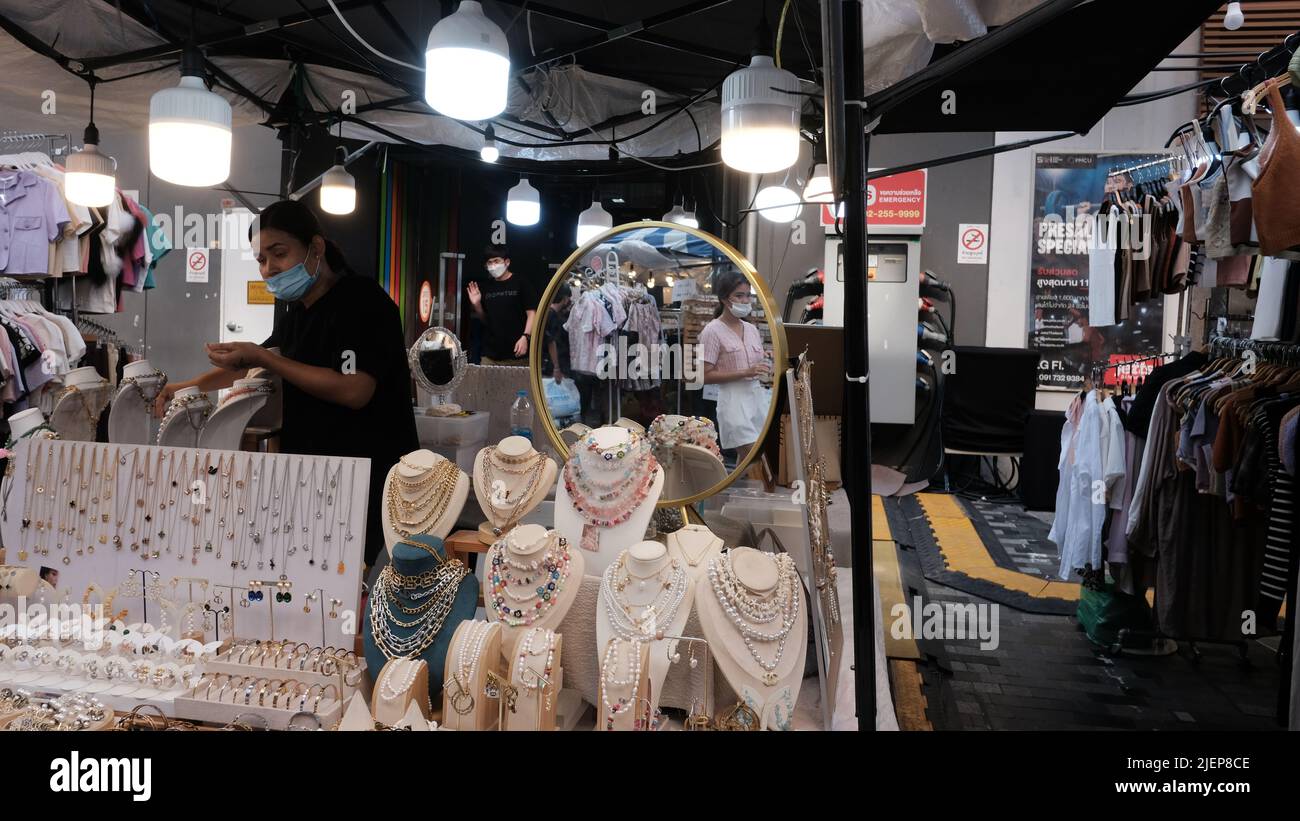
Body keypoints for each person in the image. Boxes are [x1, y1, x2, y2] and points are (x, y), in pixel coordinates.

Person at [155, 200, 418, 568]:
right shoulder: (297, 308)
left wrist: (265, 358)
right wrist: (189, 386)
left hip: (370, 479)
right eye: (261, 260)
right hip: (315, 474)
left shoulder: (362, 302)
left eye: (278, 254)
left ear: (317, 247)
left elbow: (355, 390)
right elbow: (255, 362)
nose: (268, 269)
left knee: (357, 580)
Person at [699, 269, 772, 456]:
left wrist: (766, 358)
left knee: (751, 459)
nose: (745, 301)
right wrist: (744, 372)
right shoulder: (712, 331)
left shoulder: (751, 329)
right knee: (754, 457)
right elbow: (703, 375)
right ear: (724, 298)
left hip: (757, 399)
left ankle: (732, 486)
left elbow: (754, 364)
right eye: (739, 296)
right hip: (733, 401)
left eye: (748, 295)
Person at [466, 245, 538, 365]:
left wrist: (526, 337)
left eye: (496, 261)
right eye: (489, 262)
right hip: (490, 355)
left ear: (507, 262)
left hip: (518, 353)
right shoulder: (486, 287)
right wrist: (477, 304)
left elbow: (532, 313)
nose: (493, 265)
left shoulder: (521, 283)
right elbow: (486, 320)